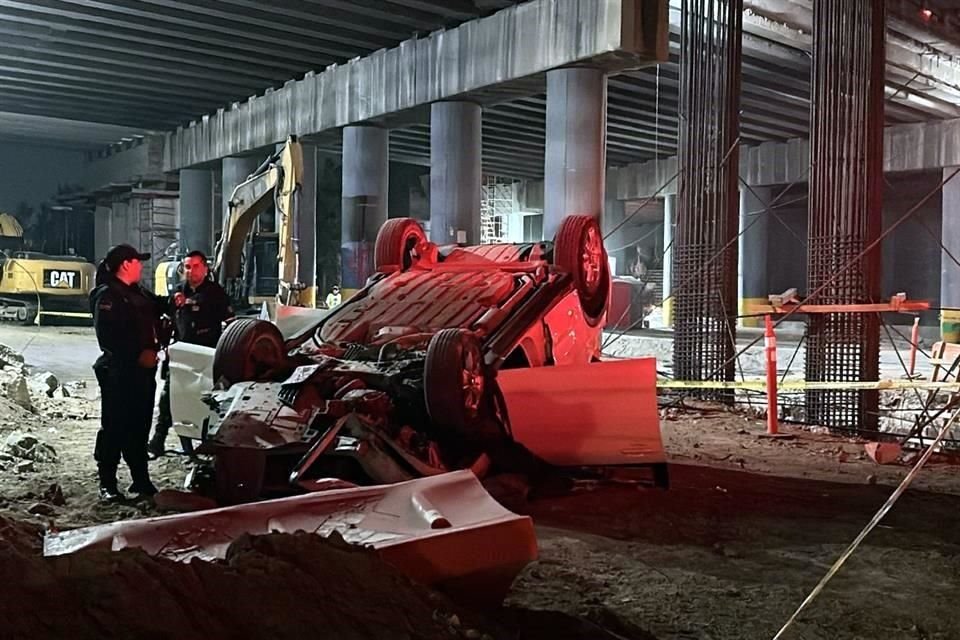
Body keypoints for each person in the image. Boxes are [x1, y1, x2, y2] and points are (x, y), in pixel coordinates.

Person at [90, 244, 164, 502]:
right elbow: (108, 338)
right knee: (114, 427)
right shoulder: (108, 296)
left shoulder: (137, 292)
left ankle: (140, 480)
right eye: (137, 261)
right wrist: (137, 355)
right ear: (125, 265)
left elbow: (158, 307)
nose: (141, 266)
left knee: (140, 426)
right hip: (119, 372)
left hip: (143, 374)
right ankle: (107, 483)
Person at [149, 250, 234, 456]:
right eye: (188, 267)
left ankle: (206, 443)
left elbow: (231, 323)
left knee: (205, 402)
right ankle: (159, 442)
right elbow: (167, 321)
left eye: (196, 266)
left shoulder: (216, 294)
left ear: (205, 268)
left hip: (206, 356)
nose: (192, 271)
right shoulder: (178, 292)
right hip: (180, 355)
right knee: (170, 398)